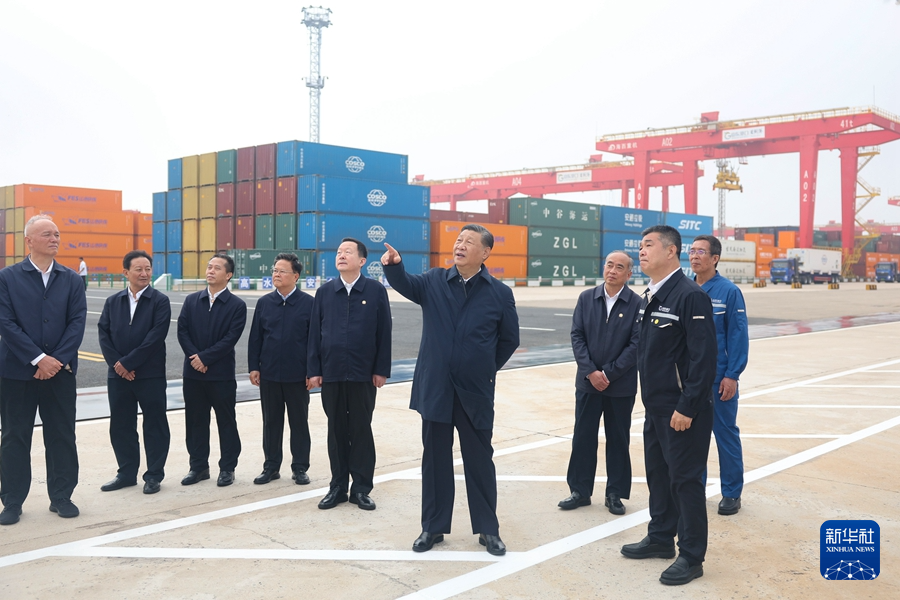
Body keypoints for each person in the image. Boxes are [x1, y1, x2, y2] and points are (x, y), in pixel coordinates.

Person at [381, 223, 520, 557]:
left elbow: (509, 340)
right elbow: (406, 284)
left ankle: (488, 529)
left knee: (480, 461)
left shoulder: (499, 293)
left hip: (475, 392)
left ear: (485, 252)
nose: (460, 245)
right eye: (459, 240)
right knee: (435, 460)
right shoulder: (433, 281)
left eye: (469, 242)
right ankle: (432, 527)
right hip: (437, 388)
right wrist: (394, 266)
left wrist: (483, 368)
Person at [620, 224, 717, 586]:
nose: (641, 251)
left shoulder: (690, 296)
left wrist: (688, 407)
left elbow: (703, 359)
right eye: (641, 246)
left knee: (685, 481)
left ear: (671, 251)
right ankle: (661, 537)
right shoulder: (651, 296)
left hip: (682, 411)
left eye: (648, 245)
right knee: (659, 476)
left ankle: (691, 556)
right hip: (656, 407)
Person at [0, 215, 87, 525]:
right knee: (14, 436)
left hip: (59, 374)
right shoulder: (7, 277)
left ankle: (61, 496)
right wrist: (38, 358)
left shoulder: (72, 279)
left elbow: (77, 323)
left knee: (62, 434)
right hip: (16, 373)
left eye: (57, 234)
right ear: (29, 241)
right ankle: (12, 501)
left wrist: (55, 361)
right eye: (47, 234)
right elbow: (5, 323)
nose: (54, 239)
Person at [307, 238, 391, 511]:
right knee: (336, 431)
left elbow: (384, 332)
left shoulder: (375, 291)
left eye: (348, 252)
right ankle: (338, 487)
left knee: (361, 430)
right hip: (331, 373)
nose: (341, 255)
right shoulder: (325, 292)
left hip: (362, 374)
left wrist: (380, 370)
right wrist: (314, 370)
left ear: (362, 261)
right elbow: (314, 334)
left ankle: (361, 489)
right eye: (339, 252)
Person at [559, 250, 641, 515]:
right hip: (588, 383)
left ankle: (615, 493)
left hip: (620, 385)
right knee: (583, 437)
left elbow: (636, 344)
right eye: (609, 265)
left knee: (618, 439)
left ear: (629, 274)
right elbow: (577, 336)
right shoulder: (587, 298)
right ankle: (580, 491)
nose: (612, 271)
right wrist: (591, 372)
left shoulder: (637, 304)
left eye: (619, 267)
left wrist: (609, 374)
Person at [97, 250, 171, 495]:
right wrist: (117, 364)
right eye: (138, 269)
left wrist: (128, 363)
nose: (144, 273)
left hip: (149, 374)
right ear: (126, 272)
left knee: (155, 424)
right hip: (118, 375)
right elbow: (104, 334)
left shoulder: (159, 301)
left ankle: (154, 475)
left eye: (148, 269)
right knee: (121, 425)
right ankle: (126, 473)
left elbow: (155, 337)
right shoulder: (113, 301)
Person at [690, 235, 749, 516]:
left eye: (701, 251)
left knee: (725, 434)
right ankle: (694, 489)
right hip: (690, 379)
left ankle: (732, 493)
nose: (694, 255)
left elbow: (738, 335)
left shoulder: (728, 292)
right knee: (691, 438)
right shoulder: (685, 289)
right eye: (692, 251)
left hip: (718, 378)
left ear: (715, 258)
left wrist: (732, 374)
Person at [177, 254, 247, 487]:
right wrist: (195, 358)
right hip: (193, 374)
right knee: (195, 421)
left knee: (226, 421)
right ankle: (198, 467)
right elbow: (182, 331)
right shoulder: (191, 301)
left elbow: (230, 339)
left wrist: (205, 358)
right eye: (209, 267)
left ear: (228, 275)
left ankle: (227, 468)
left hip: (221, 374)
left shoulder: (236, 305)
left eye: (217, 268)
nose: (210, 271)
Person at [248, 253, 315, 486]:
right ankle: (271, 467)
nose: (276, 274)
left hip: (298, 376)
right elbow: (255, 338)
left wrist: (312, 371)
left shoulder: (309, 304)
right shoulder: (264, 303)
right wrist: (254, 367)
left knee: (299, 423)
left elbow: (314, 342)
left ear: (295, 276)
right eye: (274, 270)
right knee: (271, 422)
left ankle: (300, 467)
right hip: (269, 375)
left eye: (282, 271)